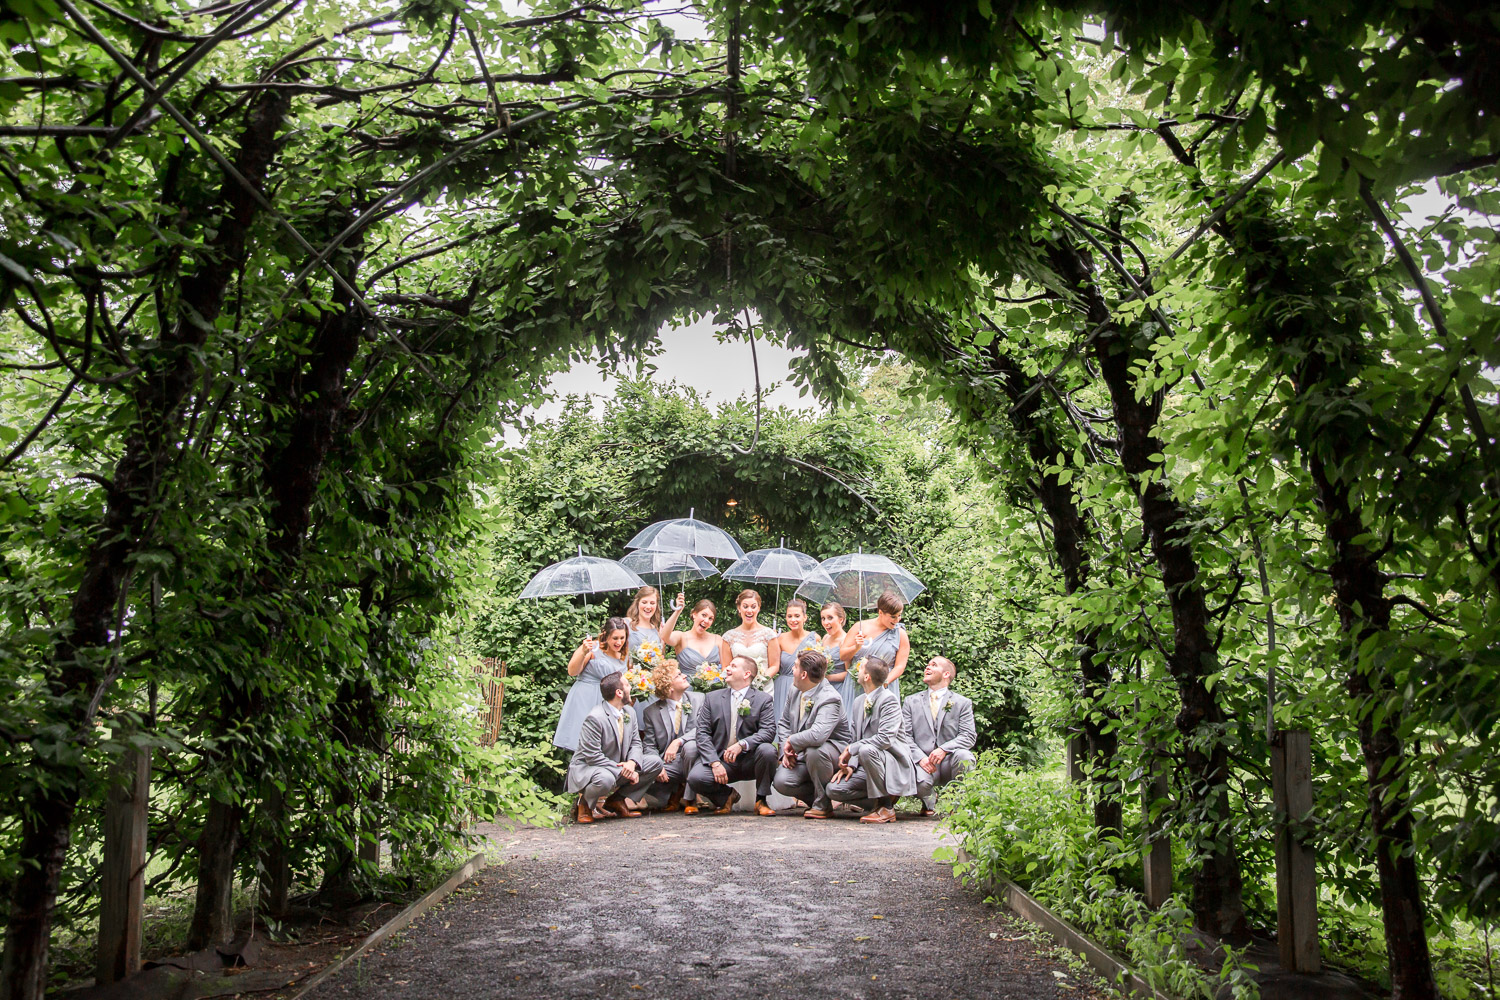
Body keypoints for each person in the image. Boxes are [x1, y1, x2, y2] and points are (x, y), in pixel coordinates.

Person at [565, 671, 664, 823]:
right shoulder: (595, 717)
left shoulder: (629, 712)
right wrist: (623, 770)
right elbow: (592, 756)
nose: (631, 688)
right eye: (628, 685)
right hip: (590, 767)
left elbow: (636, 743)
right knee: (605, 778)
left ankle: (616, 800)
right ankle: (583, 804)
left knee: (654, 762)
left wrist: (632, 763)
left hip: (619, 765)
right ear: (619, 692)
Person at [830, 656, 918, 824]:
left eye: (861, 667)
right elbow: (855, 737)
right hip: (866, 762)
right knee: (833, 790)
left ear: (867, 676)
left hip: (892, 760)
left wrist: (851, 749)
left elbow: (885, 740)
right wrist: (851, 765)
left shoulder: (889, 700)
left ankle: (886, 807)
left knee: (866, 750)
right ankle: (879, 801)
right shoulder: (858, 702)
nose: (857, 669)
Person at [687, 655, 779, 815]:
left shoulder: (763, 699)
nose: (727, 668)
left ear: (746, 674)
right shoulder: (712, 698)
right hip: (722, 760)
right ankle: (727, 796)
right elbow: (702, 733)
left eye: (733, 666)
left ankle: (761, 800)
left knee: (768, 750)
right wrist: (714, 763)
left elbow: (768, 731)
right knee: (695, 778)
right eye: (728, 665)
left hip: (751, 759)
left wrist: (742, 744)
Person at [773, 648, 853, 820]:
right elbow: (784, 722)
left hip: (831, 752)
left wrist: (792, 741)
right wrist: (785, 753)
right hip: (802, 751)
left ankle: (822, 804)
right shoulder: (794, 689)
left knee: (815, 750)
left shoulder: (830, 698)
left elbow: (818, 735)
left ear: (804, 674)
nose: (792, 670)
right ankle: (822, 797)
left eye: (795, 667)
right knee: (781, 781)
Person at [904, 655, 978, 816]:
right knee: (920, 783)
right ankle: (929, 800)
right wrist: (920, 758)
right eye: (927, 665)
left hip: (950, 760)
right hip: (924, 762)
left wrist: (944, 749)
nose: (927, 667)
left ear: (946, 674)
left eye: (934, 665)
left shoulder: (962, 703)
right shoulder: (911, 701)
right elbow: (904, 736)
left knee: (965, 757)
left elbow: (968, 736)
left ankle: (958, 806)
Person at [553, 617, 630, 753]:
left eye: (622, 638)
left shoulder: (624, 655)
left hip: (609, 702)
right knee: (583, 744)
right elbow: (572, 671)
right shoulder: (592, 648)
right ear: (606, 636)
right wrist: (583, 652)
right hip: (586, 698)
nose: (619, 642)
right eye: (615, 638)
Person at [640, 659, 703, 813]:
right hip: (669, 764)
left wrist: (679, 741)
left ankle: (690, 799)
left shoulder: (699, 699)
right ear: (668, 686)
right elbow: (649, 745)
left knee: (690, 747)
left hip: (696, 758)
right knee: (642, 773)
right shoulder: (651, 712)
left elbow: (702, 729)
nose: (684, 676)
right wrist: (657, 765)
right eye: (678, 675)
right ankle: (675, 792)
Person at [839, 590, 910, 694]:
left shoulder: (901, 634)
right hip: (857, 685)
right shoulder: (859, 627)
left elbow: (900, 666)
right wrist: (856, 647)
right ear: (881, 612)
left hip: (884, 687)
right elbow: (843, 656)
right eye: (893, 616)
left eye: (899, 615)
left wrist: (883, 683)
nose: (897, 620)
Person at [770, 598, 820, 727]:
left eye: (797, 616)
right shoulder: (779, 639)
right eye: (789, 616)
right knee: (782, 726)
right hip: (783, 686)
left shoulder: (815, 638)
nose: (793, 620)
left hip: (806, 686)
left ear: (805, 617)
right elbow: (773, 664)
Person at [720, 589, 778, 696]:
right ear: (739, 608)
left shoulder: (769, 634)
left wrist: (759, 681)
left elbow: (774, 665)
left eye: (753, 606)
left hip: (763, 690)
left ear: (759, 608)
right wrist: (739, 682)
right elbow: (725, 666)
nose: (749, 610)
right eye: (745, 606)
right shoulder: (728, 637)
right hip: (736, 689)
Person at [661, 596, 722, 682]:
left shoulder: (718, 639)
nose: (706, 620)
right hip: (687, 692)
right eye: (703, 615)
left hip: (713, 692)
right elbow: (664, 636)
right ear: (694, 615)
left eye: (710, 618)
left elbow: (724, 669)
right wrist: (678, 611)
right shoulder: (681, 637)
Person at [819, 602, 854, 711]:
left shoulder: (845, 641)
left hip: (838, 690)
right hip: (821, 688)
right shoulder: (825, 638)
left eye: (830, 618)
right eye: (823, 618)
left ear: (841, 619)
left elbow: (850, 673)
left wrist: (827, 677)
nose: (826, 622)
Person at [624, 585, 666, 657]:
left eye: (652, 603)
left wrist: (662, 639)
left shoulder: (655, 629)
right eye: (644, 602)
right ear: (637, 603)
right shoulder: (626, 623)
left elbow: (660, 656)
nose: (648, 607)